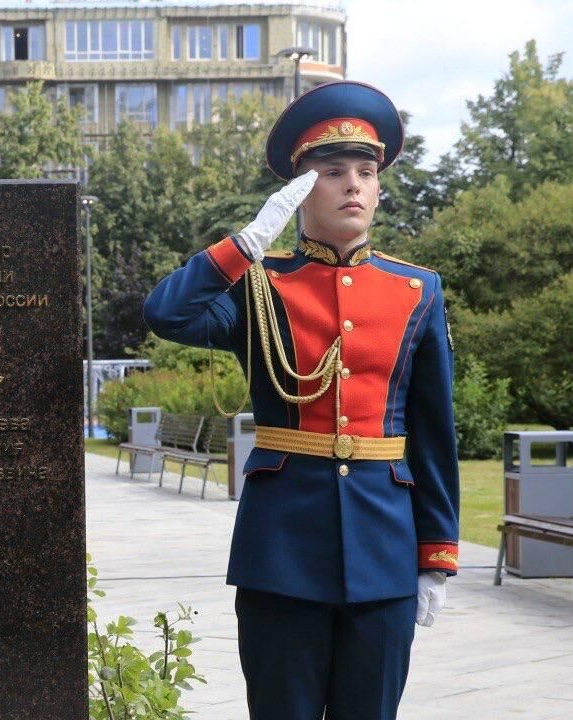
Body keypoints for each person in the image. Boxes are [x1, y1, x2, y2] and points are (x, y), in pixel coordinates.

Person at [143, 80, 459, 720]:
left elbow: (433, 432)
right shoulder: (258, 287)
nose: (352, 185)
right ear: (298, 189)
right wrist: (245, 243)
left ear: (378, 187)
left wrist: (437, 553)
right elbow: (166, 314)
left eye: (365, 172)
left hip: (384, 547)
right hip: (282, 547)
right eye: (332, 170)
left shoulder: (417, 290)